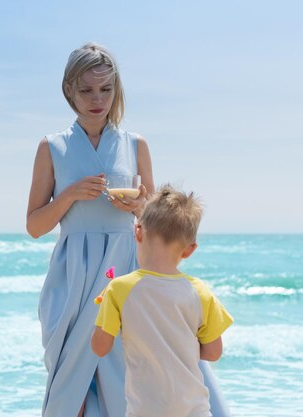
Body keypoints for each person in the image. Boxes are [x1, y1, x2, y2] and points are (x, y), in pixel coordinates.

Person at [26, 42, 231, 417]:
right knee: (69, 382)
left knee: (130, 374)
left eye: (105, 89)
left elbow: (155, 218)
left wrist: (137, 205)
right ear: (69, 89)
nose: (96, 99)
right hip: (72, 277)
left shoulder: (135, 144)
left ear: (116, 90)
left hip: (127, 273)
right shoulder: (51, 147)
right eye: (86, 89)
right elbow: (34, 226)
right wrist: (70, 195)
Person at [91, 185, 234, 417]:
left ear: (138, 232)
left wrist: (105, 307)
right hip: (194, 409)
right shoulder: (200, 292)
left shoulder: (119, 288)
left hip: (146, 410)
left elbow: (100, 347)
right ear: (189, 250)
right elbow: (213, 352)